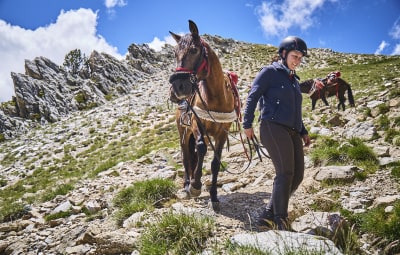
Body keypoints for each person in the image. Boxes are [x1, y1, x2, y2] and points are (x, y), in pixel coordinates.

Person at [242, 36, 311, 230]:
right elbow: (253, 95)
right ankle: (281, 220)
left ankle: (268, 214)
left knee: (297, 175)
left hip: (293, 131)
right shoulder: (269, 72)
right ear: (283, 54)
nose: (297, 60)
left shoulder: (294, 81)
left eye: (300, 57)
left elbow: (296, 110)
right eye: (294, 56)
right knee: (285, 172)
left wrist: (303, 131)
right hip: (272, 127)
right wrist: (247, 123)